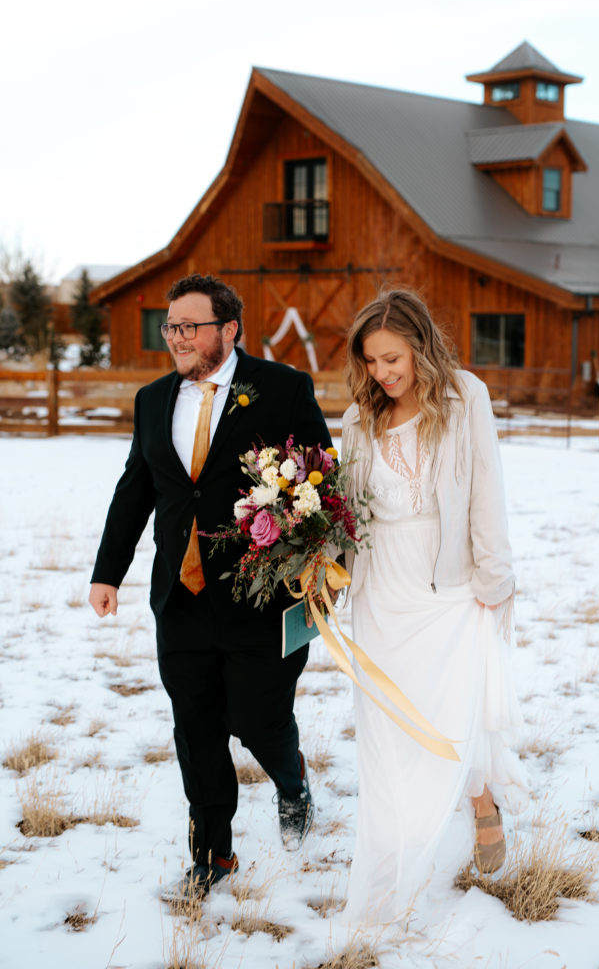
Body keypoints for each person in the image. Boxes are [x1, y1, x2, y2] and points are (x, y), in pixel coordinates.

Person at [89, 273, 332, 899]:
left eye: (190, 326)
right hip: (181, 599)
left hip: (261, 597)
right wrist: (107, 572)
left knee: (259, 717)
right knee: (195, 731)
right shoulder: (152, 400)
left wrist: (316, 565)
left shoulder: (281, 389)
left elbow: (322, 483)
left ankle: (291, 776)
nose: (177, 338)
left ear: (229, 329)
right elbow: (135, 490)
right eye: (171, 327)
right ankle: (212, 854)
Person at [340, 288, 528, 927]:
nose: (383, 374)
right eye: (371, 362)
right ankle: (398, 849)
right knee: (391, 722)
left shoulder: (464, 397)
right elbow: (347, 513)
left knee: (450, 711)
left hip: (447, 582)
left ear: (420, 346)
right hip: (381, 590)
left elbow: (485, 485)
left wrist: (493, 574)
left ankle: (481, 802)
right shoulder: (356, 420)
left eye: (392, 359)